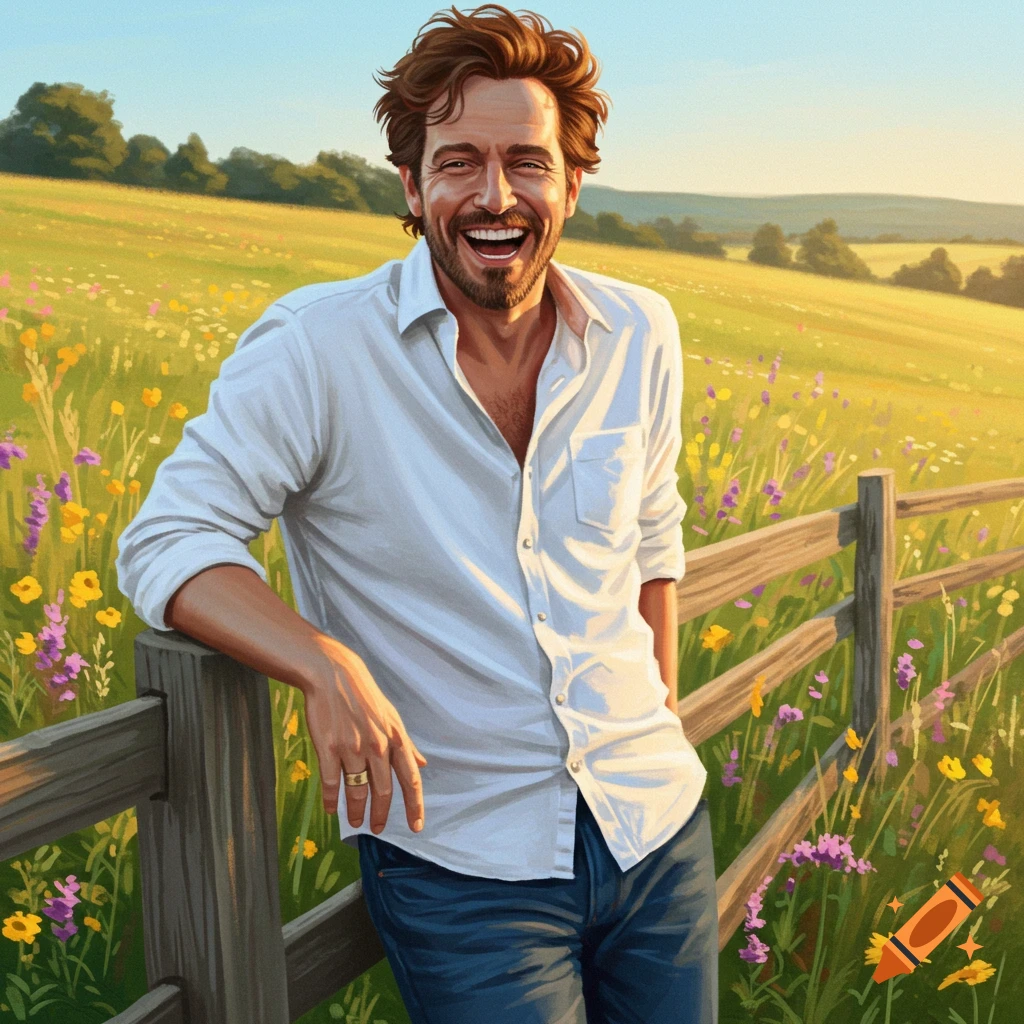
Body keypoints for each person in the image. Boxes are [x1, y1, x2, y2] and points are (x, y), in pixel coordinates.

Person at [115, 5, 718, 1021]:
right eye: (457, 162)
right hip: (465, 865)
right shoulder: (318, 349)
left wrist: (650, 707)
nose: (493, 195)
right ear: (409, 184)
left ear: (572, 180)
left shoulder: (638, 332)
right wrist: (322, 659)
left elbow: (653, 530)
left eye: (527, 161)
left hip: (655, 827)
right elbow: (167, 538)